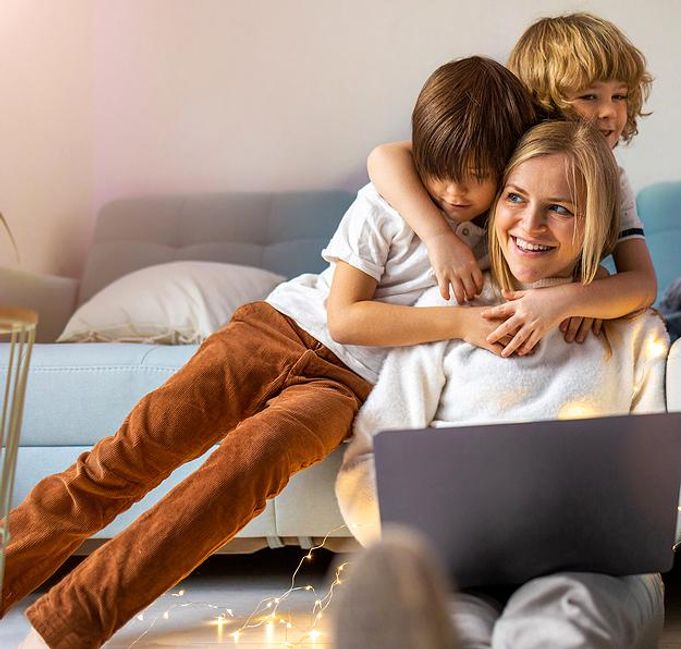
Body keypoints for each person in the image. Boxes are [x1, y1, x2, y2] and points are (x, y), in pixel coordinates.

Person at [2, 56, 538, 649]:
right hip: (274, 331)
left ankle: (67, 627)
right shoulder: (388, 205)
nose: (454, 190)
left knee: (232, 481)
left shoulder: (508, 235)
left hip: (343, 389)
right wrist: (456, 309)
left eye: (475, 174)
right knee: (127, 457)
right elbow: (347, 318)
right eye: (440, 171)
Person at [334, 120, 681, 649]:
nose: (530, 224)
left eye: (561, 209)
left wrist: (645, 530)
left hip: (596, 573)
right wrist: (415, 545)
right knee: (451, 622)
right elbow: (367, 462)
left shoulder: (636, 332)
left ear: (598, 224)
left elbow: (668, 490)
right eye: (515, 198)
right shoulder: (447, 312)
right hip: (455, 568)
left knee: (567, 616)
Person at [366, 12, 657, 358]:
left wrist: (574, 296)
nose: (609, 112)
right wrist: (438, 237)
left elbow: (642, 282)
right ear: (543, 98)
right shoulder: (502, 152)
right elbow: (384, 157)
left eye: (620, 96)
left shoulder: (613, 180)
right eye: (590, 96)